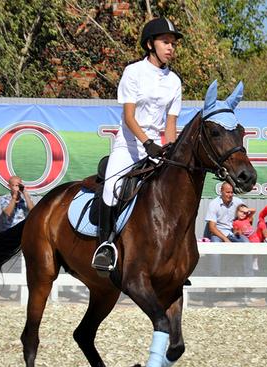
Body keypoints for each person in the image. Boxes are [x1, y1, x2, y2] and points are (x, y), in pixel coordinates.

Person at [92, 17, 183, 271]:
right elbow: (129, 117)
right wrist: (147, 143)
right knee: (111, 188)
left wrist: (170, 151)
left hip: (157, 150)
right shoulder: (133, 72)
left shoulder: (175, 82)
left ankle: (171, 255)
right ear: (150, 44)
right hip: (129, 146)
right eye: (165, 42)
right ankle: (106, 247)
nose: (171, 48)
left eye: (173, 43)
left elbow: (171, 124)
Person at [205, 182, 251, 275]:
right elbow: (212, 228)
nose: (230, 195)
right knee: (215, 251)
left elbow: (248, 218)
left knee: (247, 244)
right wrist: (225, 239)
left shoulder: (238, 202)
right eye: (227, 192)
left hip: (233, 233)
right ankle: (215, 277)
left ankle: (248, 276)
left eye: (231, 192)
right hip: (218, 233)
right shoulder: (214, 204)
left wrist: (240, 229)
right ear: (221, 191)